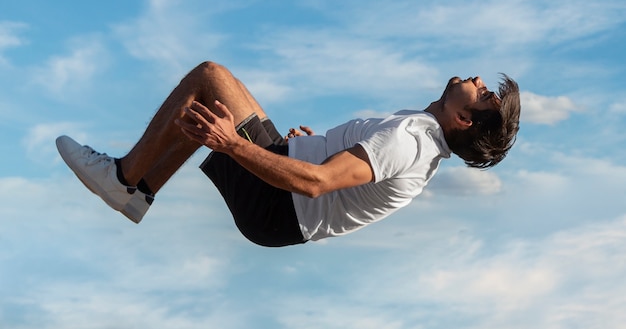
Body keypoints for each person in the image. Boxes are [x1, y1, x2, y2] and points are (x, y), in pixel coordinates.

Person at [56, 61, 520, 247]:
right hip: (285, 191)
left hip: (277, 205)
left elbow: (316, 183)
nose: (478, 82)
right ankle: (140, 192)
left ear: (463, 120)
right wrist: (312, 147)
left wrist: (233, 143)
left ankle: (122, 178)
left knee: (210, 79)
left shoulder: (411, 140)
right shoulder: (419, 141)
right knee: (217, 96)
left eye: (482, 96)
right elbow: (339, 176)